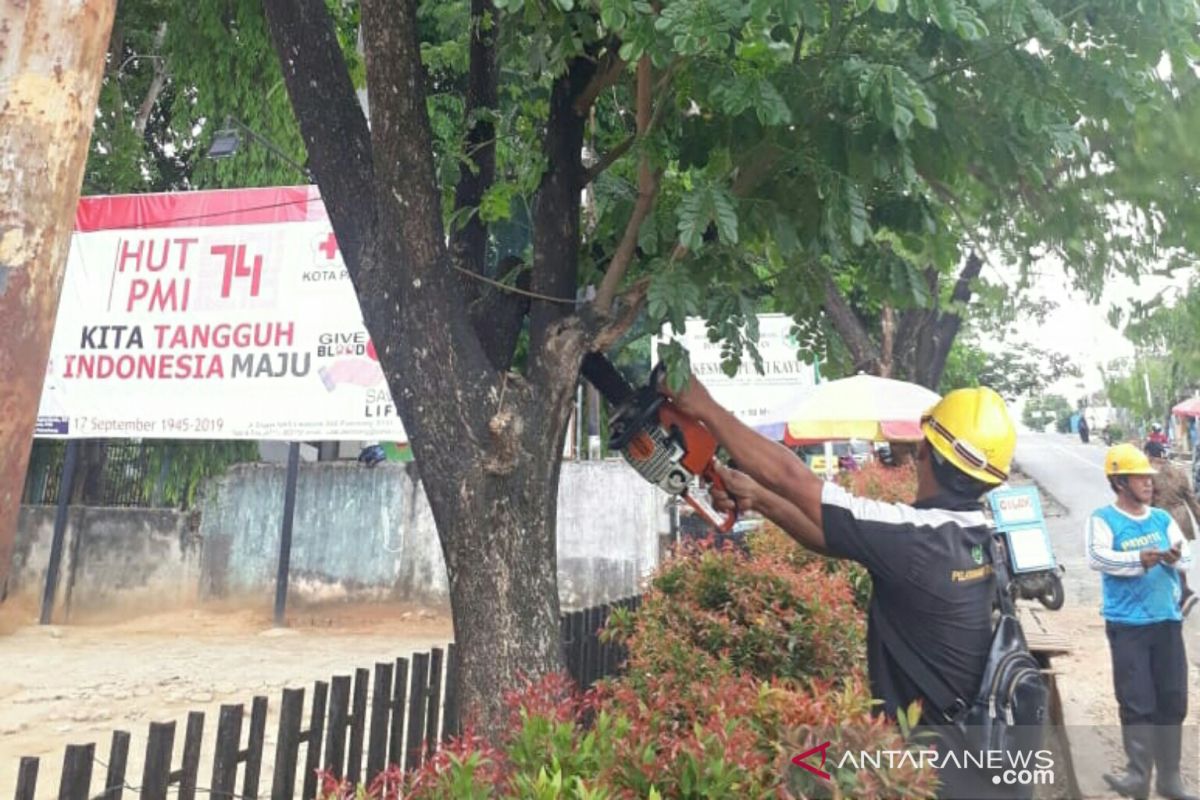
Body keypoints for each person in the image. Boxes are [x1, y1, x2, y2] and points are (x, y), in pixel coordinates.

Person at [667, 377, 1020, 798]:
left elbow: (792, 477)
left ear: (925, 452)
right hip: (973, 756)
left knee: (797, 768)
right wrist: (759, 500)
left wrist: (705, 406)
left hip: (927, 772)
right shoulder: (980, 534)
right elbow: (830, 536)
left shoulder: (914, 537)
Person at [1087, 444, 1197, 800]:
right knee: (1137, 701)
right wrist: (1140, 559)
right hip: (1128, 625)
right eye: (1140, 478)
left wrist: (1174, 558)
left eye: (1149, 478)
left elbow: (1187, 557)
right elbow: (1099, 558)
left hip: (1166, 620)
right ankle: (1138, 776)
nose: (1149, 484)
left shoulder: (1162, 519)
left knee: (1172, 699)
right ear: (1119, 481)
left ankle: (1168, 779)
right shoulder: (1103, 519)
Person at [1146, 444, 1199, 617]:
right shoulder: (1179, 471)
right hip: (1182, 518)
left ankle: (1182, 593)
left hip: (1162, 520)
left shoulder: (1149, 474)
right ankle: (1181, 594)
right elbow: (1191, 500)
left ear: (1149, 454)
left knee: (1165, 559)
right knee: (1179, 557)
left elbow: (1147, 502)